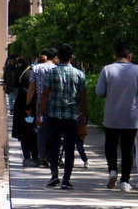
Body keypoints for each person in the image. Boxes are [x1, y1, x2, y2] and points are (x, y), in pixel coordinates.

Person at [95, 42, 138, 192]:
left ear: (116, 55)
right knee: (127, 148)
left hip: (112, 116)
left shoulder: (107, 70)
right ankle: (125, 181)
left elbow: (100, 92)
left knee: (111, 145)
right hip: (131, 118)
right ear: (130, 56)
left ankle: (112, 170)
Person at [37, 43, 86, 190]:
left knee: (54, 146)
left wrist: (40, 114)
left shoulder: (51, 73)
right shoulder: (79, 74)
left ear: (58, 57)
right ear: (71, 57)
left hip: (53, 116)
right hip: (71, 117)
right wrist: (83, 114)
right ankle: (66, 179)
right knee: (70, 148)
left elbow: (45, 95)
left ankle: (54, 175)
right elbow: (83, 97)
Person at [27, 48, 58, 167]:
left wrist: (28, 103)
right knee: (55, 131)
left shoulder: (36, 68)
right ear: (55, 57)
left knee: (41, 130)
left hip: (41, 103)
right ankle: (54, 156)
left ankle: (42, 157)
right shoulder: (57, 69)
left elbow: (31, 88)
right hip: (56, 104)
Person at [11, 58, 38, 166]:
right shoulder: (30, 76)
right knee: (31, 134)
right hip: (29, 111)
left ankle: (27, 157)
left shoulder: (26, 76)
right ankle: (34, 157)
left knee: (25, 135)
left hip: (24, 112)